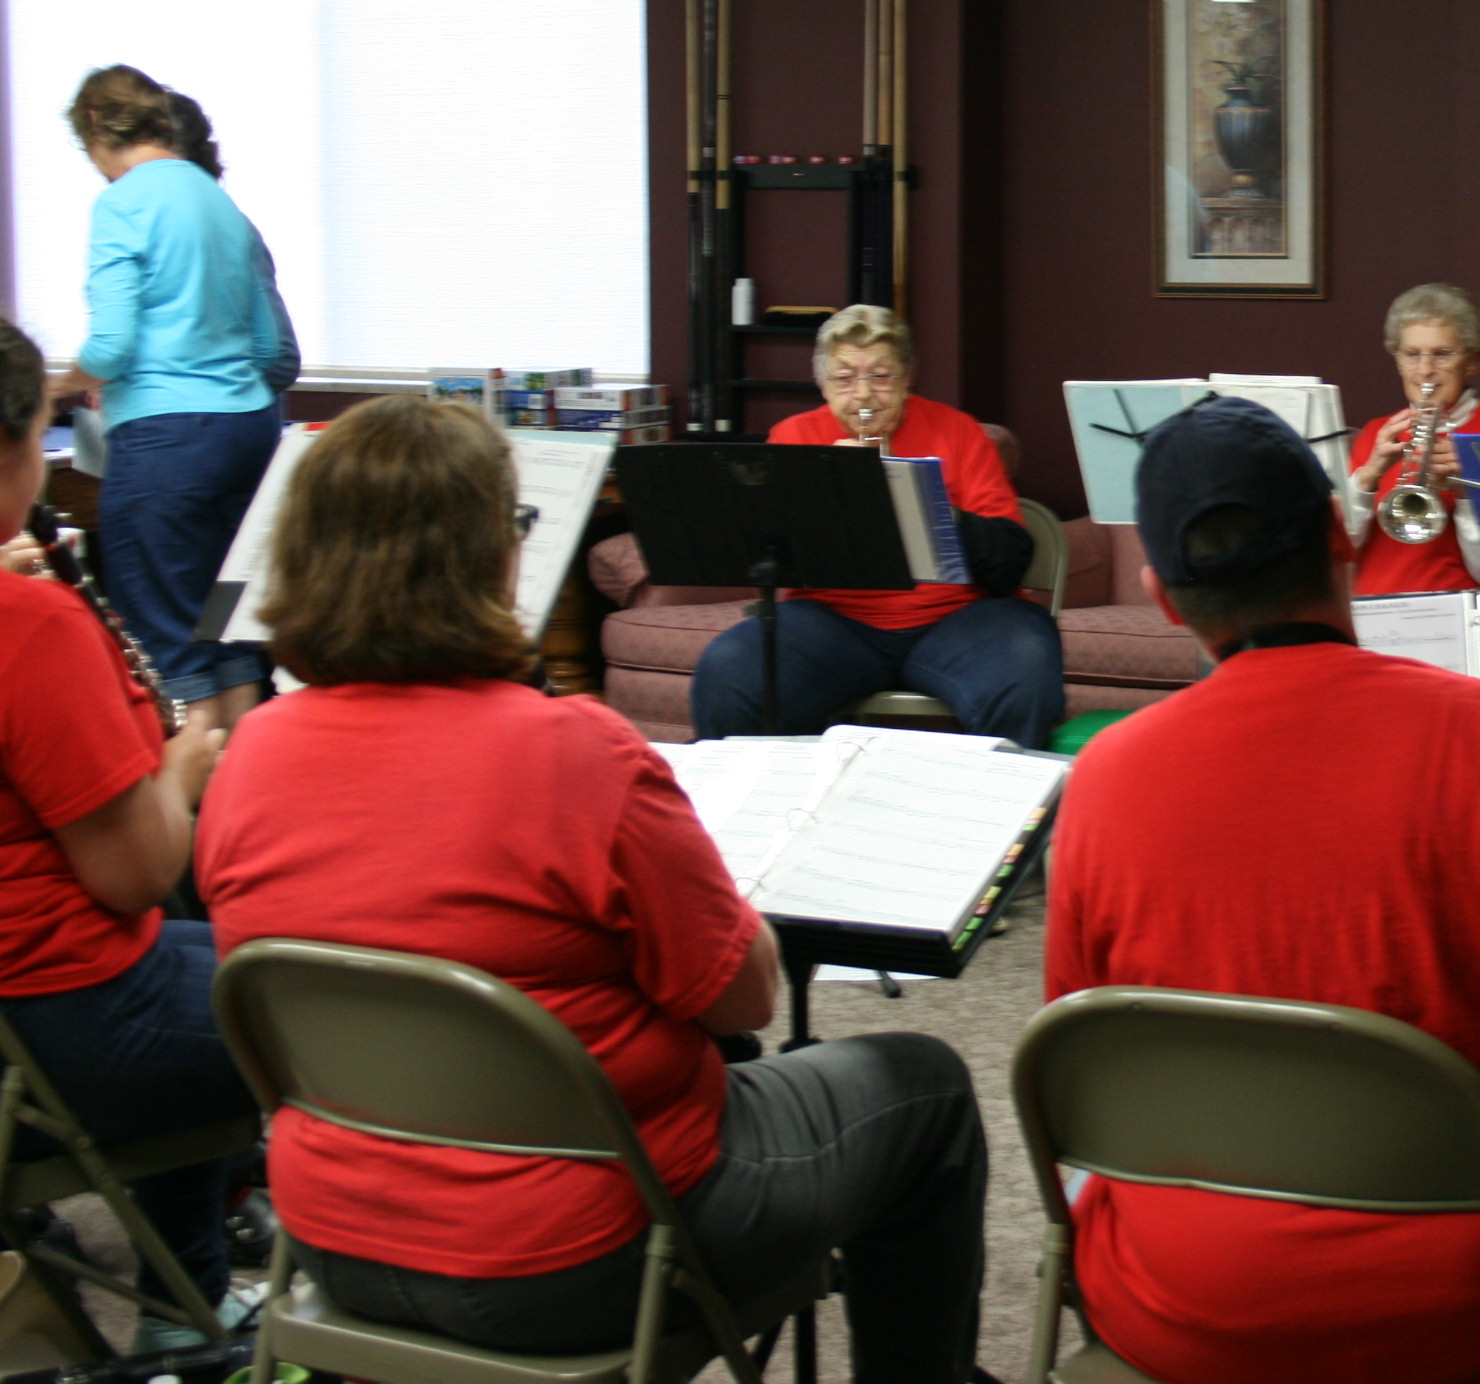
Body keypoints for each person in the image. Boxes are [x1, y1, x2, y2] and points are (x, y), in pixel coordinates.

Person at [195, 397, 990, 1384]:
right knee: (925, 1084)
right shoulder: (574, 752)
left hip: (336, 1243)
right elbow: (741, 999)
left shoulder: (250, 754)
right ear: (490, 555)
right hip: (577, 1258)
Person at [1045, 397, 1480, 1382]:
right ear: (1341, 533)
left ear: (1160, 594)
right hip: (1475, 1307)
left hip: (1181, 1304)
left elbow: (1084, 1076)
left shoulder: (1101, 781)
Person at [0, 316, 258, 1350]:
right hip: (51, 1016)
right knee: (324, 998)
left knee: (229, 951)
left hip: (24, 1011)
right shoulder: (34, 628)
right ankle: (199, 1312)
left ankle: (185, 1298)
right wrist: (177, 769)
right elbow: (138, 875)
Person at [47, 69, 297, 737]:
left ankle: (191, 798)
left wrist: (57, 385)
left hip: (166, 445)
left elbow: (110, 346)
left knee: (171, 645)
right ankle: (245, 789)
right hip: (247, 434)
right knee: (232, 631)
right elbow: (269, 348)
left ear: (96, 129)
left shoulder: (122, 204)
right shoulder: (222, 206)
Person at [689, 304, 1062, 746]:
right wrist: (824, 486)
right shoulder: (794, 436)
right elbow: (767, 555)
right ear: (823, 385)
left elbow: (1009, 559)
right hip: (831, 622)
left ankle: (1005, 792)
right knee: (728, 671)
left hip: (957, 620)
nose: (863, 394)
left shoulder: (958, 432)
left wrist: (918, 501)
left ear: (907, 379)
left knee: (1026, 660)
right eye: (844, 378)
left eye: (881, 377)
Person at [1345, 282, 1480, 595]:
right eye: (1412, 354)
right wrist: (1368, 476)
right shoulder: (1376, 433)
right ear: (1398, 361)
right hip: (1372, 609)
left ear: (1472, 362)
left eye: (1442, 354)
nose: (1425, 370)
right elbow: (1334, 556)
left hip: (1461, 610)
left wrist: (1466, 491)